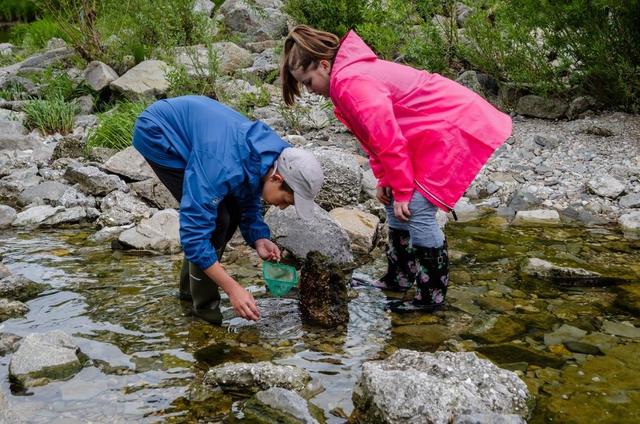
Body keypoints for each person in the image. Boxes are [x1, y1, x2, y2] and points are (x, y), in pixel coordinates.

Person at [280, 25, 512, 312]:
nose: (309, 91)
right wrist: (385, 179)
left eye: (308, 82)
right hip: (427, 131)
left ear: (325, 65)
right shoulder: (345, 80)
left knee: (416, 206)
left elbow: (387, 137)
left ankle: (431, 297)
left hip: (454, 125)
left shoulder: (352, 82)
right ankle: (399, 278)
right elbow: (372, 138)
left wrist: (403, 189)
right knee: (392, 199)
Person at [132, 95, 324, 324]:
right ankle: (204, 314)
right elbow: (193, 236)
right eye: (286, 200)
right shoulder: (221, 164)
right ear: (278, 178)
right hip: (159, 132)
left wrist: (258, 237)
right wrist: (232, 288)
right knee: (217, 221)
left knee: (227, 213)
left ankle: (189, 293)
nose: (282, 207)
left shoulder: (275, 156)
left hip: (206, 137)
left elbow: (250, 186)